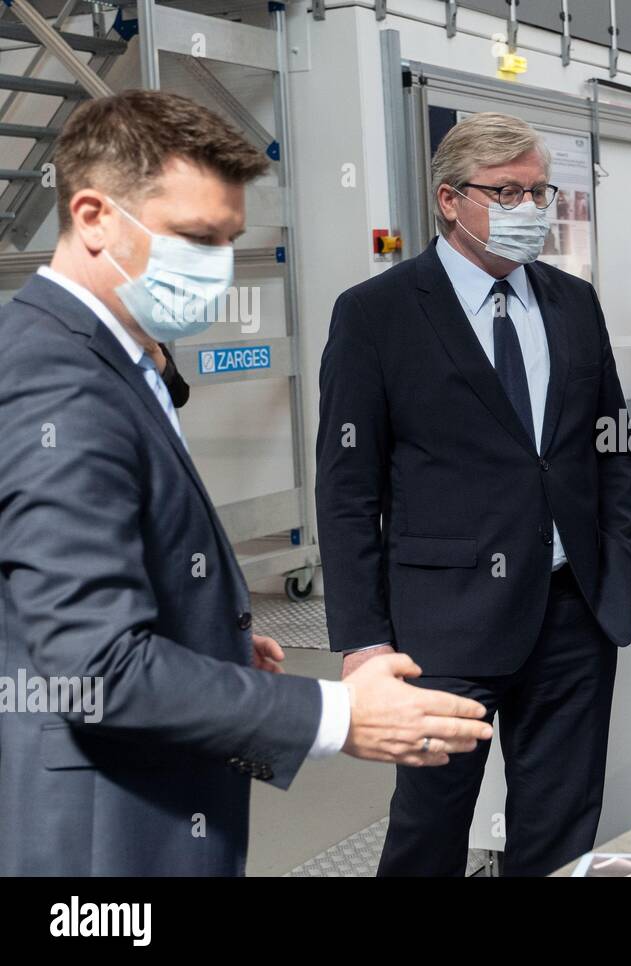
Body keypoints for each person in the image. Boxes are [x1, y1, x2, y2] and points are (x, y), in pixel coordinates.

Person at [0, 90, 492, 876]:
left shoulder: (109, 354)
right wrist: (338, 715)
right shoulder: (60, 386)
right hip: (104, 840)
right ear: (92, 217)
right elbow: (94, 666)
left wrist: (210, 639)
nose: (218, 269)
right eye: (195, 238)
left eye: (229, 241)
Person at [316, 112, 631, 877]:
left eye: (540, 192)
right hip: (443, 623)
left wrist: (618, 565)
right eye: (507, 192)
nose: (531, 210)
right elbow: (346, 489)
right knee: (430, 830)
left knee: (562, 826)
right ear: (449, 200)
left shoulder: (572, 302)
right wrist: (364, 640)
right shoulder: (375, 314)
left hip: (572, 612)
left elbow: (612, 446)